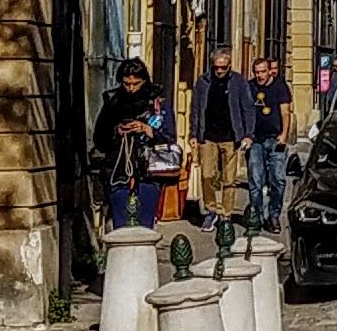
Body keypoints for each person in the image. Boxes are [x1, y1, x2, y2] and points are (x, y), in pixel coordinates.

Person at [91, 59, 178, 230]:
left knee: (145, 227)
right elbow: (99, 140)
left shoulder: (158, 102)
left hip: (148, 172)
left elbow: (170, 138)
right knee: (120, 226)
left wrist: (147, 130)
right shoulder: (112, 102)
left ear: (144, 81)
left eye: (135, 84)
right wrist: (116, 131)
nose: (131, 88)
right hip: (118, 171)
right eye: (126, 84)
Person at [190, 46, 253, 222]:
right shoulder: (203, 81)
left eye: (223, 68)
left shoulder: (239, 82)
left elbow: (247, 107)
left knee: (229, 179)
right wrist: (193, 134)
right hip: (208, 135)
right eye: (216, 67)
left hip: (231, 136)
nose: (219, 71)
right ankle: (211, 210)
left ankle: (226, 214)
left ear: (229, 66)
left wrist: (248, 134)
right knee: (207, 175)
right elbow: (195, 109)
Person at [247, 53, 293, 228]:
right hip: (256, 140)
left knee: (278, 179)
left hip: (275, 139)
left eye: (263, 72)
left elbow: (285, 112)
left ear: (269, 72)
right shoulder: (249, 87)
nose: (260, 75)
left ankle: (274, 214)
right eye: (257, 72)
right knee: (256, 180)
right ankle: (256, 216)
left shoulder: (280, 88)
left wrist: (284, 134)